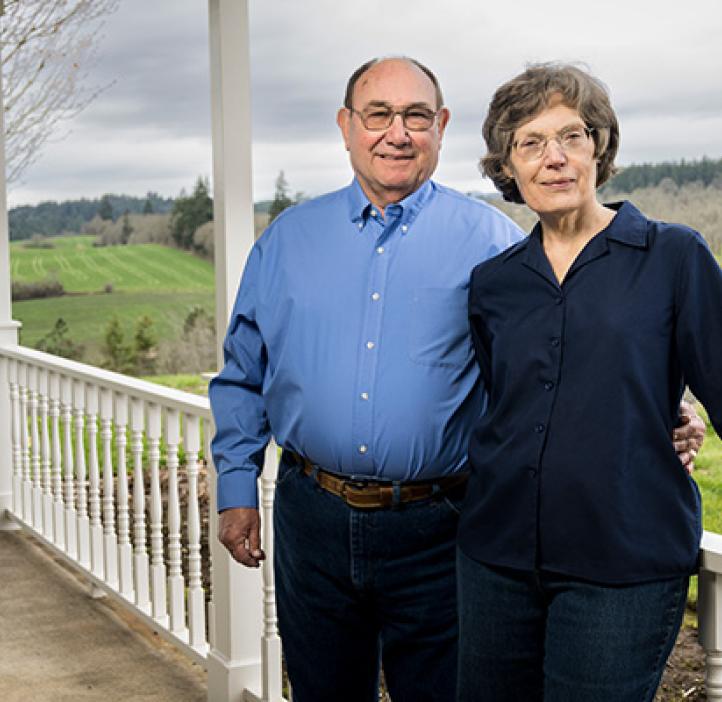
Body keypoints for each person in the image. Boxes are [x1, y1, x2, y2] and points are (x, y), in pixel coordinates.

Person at [209, 57, 705, 702]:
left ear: (440, 127)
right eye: (378, 115)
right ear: (346, 126)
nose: (397, 132)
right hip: (312, 516)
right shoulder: (287, 241)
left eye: (416, 116)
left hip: (441, 524)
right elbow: (243, 372)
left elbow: (560, 363)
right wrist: (235, 483)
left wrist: (668, 408)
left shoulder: (493, 245)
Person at [457, 62, 722, 702]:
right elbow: (507, 403)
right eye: (531, 143)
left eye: (572, 136)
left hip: (623, 562)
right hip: (496, 559)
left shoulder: (673, 256)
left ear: (598, 148)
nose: (555, 158)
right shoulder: (494, 283)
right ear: (508, 168)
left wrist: (676, 414)